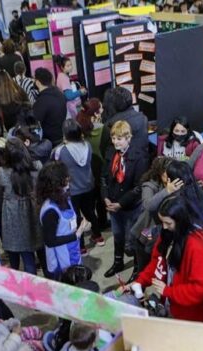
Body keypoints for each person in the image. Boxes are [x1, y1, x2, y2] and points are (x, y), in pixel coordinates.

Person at [132, 195, 203, 351]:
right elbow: (156, 263)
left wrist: (168, 291)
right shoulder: (168, 235)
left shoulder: (197, 246)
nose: (164, 227)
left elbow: (201, 289)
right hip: (175, 307)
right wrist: (140, 281)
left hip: (191, 314)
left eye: (168, 223)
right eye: (162, 222)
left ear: (181, 220)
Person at [102, 120, 150, 277]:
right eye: (114, 138)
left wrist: (120, 204)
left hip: (130, 206)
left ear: (128, 138)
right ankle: (118, 262)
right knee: (117, 236)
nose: (116, 142)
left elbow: (138, 187)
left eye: (120, 138)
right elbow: (103, 178)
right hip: (113, 205)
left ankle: (137, 268)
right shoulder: (110, 153)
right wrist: (105, 198)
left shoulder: (139, 157)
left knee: (133, 239)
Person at [52, 119, 103, 252]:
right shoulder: (87, 145)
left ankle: (81, 247)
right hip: (88, 186)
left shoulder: (61, 151)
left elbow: (55, 167)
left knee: (75, 217)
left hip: (72, 190)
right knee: (90, 212)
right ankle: (98, 236)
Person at [37, 162, 90, 279]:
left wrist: (82, 223)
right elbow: (50, 241)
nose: (68, 178)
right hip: (61, 260)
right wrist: (77, 235)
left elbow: (71, 218)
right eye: (65, 177)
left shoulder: (65, 197)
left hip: (73, 252)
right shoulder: (50, 210)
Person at [0, 138, 42, 274]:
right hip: (33, 212)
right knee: (36, 255)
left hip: (12, 216)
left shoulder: (2, 172)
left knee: (21, 257)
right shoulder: (36, 167)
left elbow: (0, 190)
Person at [100, 86, 149, 157]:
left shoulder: (110, 125)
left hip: (120, 164)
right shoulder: (143, 118)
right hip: (141, 162)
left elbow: (103, 150)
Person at [32, 68, 67, 146]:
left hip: (50, 141)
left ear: (37, 82)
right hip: (61, 135)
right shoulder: (59, 93)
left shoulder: (42, 101)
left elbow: (34, 121)